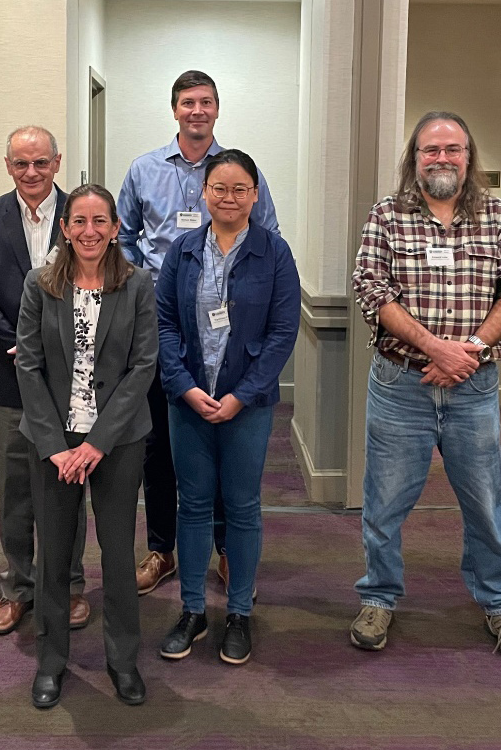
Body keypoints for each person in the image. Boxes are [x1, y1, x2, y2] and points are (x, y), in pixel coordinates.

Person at [350, 111, 501, 664]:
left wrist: (471, 351)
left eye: (453, 149)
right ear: (414, 157)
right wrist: (436, 349)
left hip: (474, 387)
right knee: (384, 504)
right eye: (430, 150)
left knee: (485, 503)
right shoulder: (386, 216)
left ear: (469, 157)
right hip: (399, 386)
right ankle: (378, 597)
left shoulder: (499, 216)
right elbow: (371, 289)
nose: (441, 158)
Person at [118, 70, 280, 596]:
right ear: (174, 110)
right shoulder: (144, 170)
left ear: (217, 109)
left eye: (206, 102)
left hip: (231, 324)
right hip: (163, 322)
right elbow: (122, 239)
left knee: (226, 443)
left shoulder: (237, 172)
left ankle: (227, 551)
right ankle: (162, 549)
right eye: (188, 102)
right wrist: (148, 285)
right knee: (163, 445)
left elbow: (268, 236)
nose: (197, 111)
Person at [155, 149, 299, 666]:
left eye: (241, 189)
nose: (230, 198)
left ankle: (239, 613)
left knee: (241, 508)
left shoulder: (274, 253)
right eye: (220, 188)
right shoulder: (182, 250)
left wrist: (242, 395)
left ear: (256, 195)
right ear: (203, 193)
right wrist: (184, 385)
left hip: (250, 404)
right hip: (188, 400)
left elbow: (283, 334)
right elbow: (165, 324)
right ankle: (192, 611)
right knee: (191, 507)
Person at [16, 184, 157, 708]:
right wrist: (56, 445)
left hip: (117, 442)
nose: (90, 231)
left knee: (118, 556)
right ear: (65, 228)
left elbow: (144, 366)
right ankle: (50, 662)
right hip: (52, 442)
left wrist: (97, 443)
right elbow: (27, 365)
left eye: (100, 221)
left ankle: (122, 661)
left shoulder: (138, 285)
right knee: (52, 555)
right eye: (79, 221)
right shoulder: (40, 285)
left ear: (116, 228)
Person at [0, 127, 91, 636]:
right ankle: (17, 586)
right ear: (8, 165)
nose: (31, 173)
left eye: (41, 163)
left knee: (68, 484)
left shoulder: (80, 215)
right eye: (21, 164)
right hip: (9, 373)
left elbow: (99, 280)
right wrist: (20, 342)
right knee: (15, 488)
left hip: (74, 380)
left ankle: (71, 584)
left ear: (57, 163)